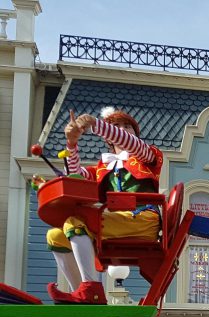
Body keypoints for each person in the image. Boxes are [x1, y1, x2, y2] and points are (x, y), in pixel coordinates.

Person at [46, 108, 163, 304]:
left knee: (76, 221)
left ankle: (91, 290)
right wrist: (72, 144)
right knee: (55, 236)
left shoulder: (148, 156)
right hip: (115, 223)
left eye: (127, 127)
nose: (123, 130)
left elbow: (132, 144)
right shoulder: (102, 167)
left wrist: (96, 124)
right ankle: (81, 295)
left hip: (143, 220)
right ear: (108, 140)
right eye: (117, 127)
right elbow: (75, 177)